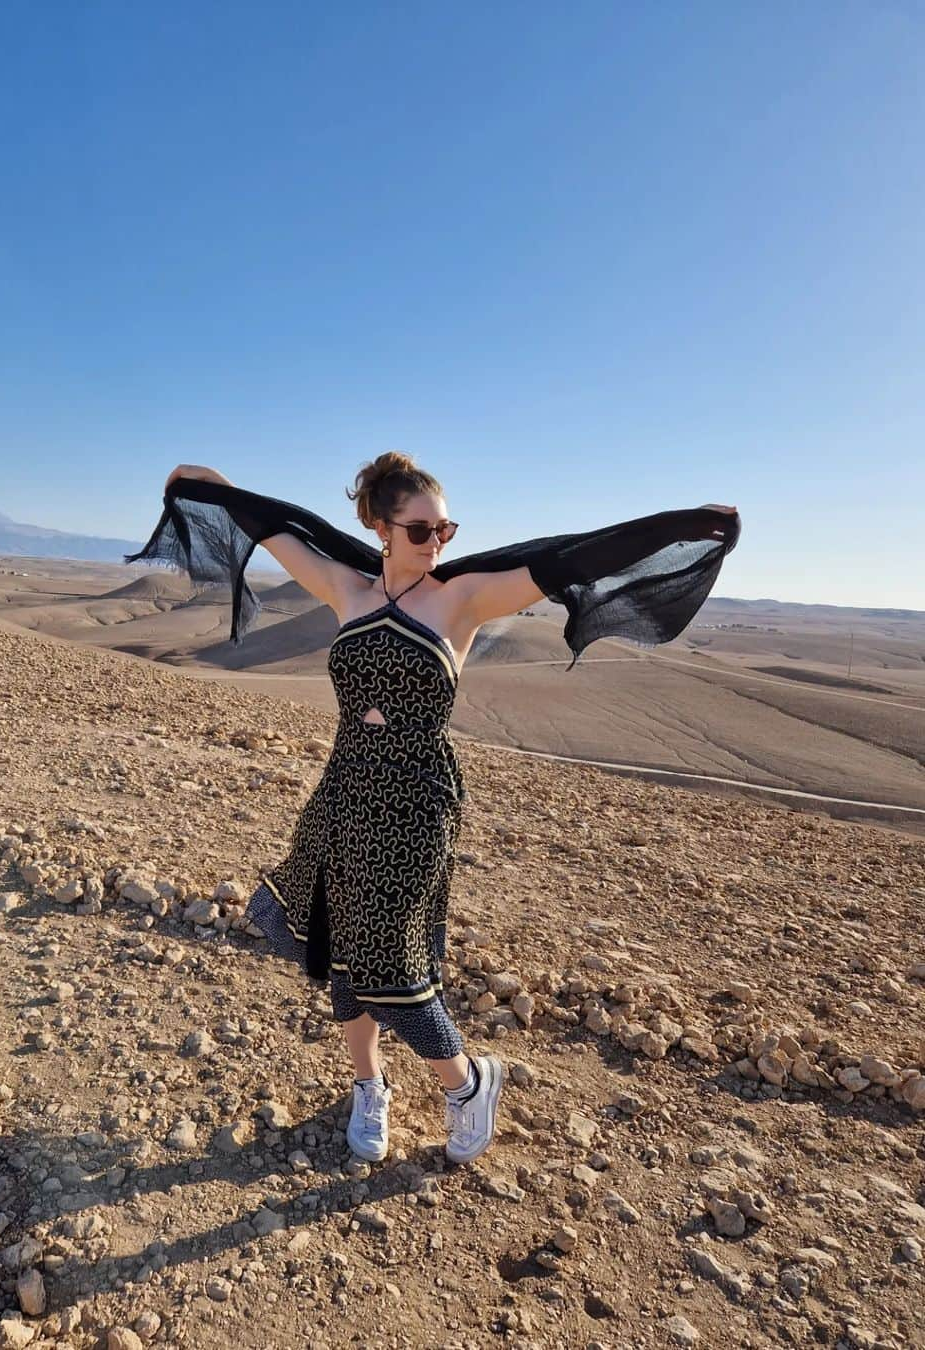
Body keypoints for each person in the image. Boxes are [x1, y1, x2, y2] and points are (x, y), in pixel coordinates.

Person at [143, 452, 739, 1166]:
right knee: (342, 954)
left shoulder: (462, 601)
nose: (438, 544)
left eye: (445, 530)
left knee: (390, 962)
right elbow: (272, 529)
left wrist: (678, 525)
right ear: (380, 527)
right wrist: (215, 487)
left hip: (416, 801)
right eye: (422, 531)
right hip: (344, 792)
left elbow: (572, 560)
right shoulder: (347, 589)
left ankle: (467, 1084)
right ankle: (370, 1085)